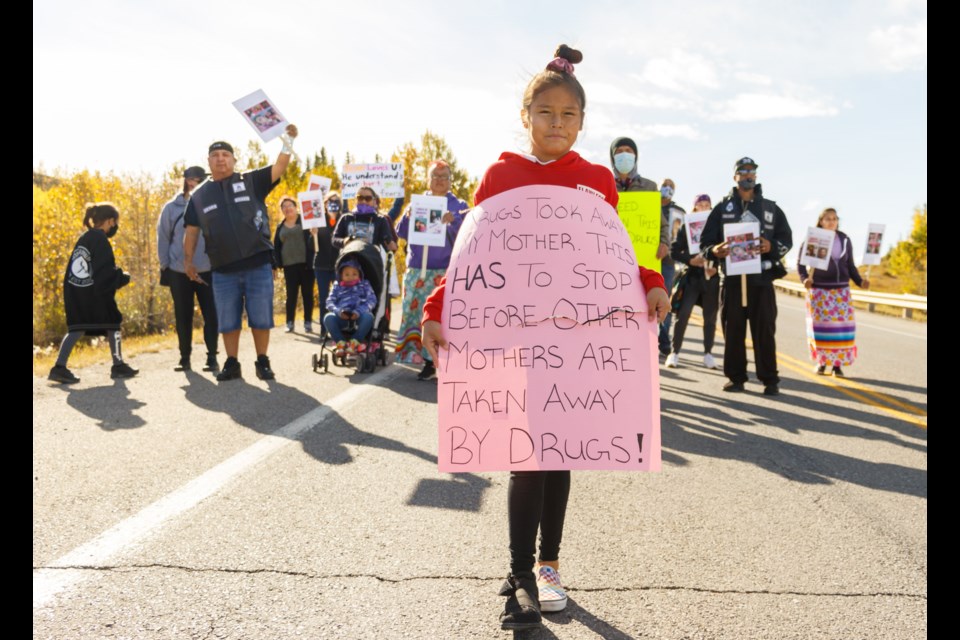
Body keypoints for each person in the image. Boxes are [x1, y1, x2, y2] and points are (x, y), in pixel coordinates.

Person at [420, 45, 670, 631]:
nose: (556, 124)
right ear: (525, 114)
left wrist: (652, 280)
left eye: (568, 116)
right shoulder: (501, 175)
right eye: (545, 113)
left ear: (582, 123)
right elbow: (469, 255)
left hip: (577, 343)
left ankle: (549, 564)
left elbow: (620, 255)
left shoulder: (597, 179)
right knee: (524, 456)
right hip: (517, 340)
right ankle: (518, 577)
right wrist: (436, 307)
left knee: (561, 455)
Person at [182, 124, 298, 382]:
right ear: (209, 162)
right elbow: (191, 231)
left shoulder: (251, 181)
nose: (221, 159)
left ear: (234, 160)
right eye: (215, 155)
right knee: (228, 320)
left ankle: (262, 361)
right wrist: (188, 261)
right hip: (223, 269)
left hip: (257, 263)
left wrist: (288, 140)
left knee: (261, 316)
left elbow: (280, 166)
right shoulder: (199, 196)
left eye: (226, 155)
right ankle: (232, 362)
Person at [699, 156, 793, 396]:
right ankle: (736, 377)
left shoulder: (770, 208)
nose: (747, 175)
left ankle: (769, 379)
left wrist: (770, 246)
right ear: (735, 177)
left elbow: (786, 239)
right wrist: (715, 250)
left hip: (761, 280)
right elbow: (705, 244)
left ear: (756, 177)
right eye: (743, 172)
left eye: (752, 172)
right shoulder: (722, 208)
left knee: (764, 331)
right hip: (731, 280)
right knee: (733, 330)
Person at [48, 203, 138, 384]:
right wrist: (122, 277)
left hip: (78, 291)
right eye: (114, 222)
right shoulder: (100, 240)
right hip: (94, 292)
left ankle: (59, 367)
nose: (114, 226)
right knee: (113, 322)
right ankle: (118, 365)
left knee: (78, 326)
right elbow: (104, 272)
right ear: (110, 221)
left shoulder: (86, 238)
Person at [394, 160, 468, 380]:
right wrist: (409, 218)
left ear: (450, 180)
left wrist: (453, 222)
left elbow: (467, 236)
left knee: (440, 316)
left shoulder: (459, 205)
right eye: (435, 176)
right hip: (418, 268)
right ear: (428, 178)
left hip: (444, 270)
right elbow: (401, 232)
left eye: (444, 176)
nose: (439, 180)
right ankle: (419, 357)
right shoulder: (418, 203)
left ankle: (435, 360)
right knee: (414, 312)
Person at [608, 138, 670, 356]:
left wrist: (664, 243)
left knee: (642, 311)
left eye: (629, 151)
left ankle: (644, 357)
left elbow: (662, 224)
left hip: (644, 259)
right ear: (612, 157)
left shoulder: (650, 187)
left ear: (636, 156)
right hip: (611, 261)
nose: (624, 155)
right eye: (620, 151)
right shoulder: (604, 184)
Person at [157, 165, 219, 373]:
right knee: (182, 316)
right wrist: (165, 265)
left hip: (208, 269)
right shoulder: (171, 208)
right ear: (186, 181)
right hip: (178, 271)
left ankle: (212, 357)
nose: (197, 183)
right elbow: (163, 238)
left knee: (211, 314)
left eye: (201, 180)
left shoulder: (212, 205)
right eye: (194, 179)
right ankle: (184, 358)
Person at [796, 208, 869, 377]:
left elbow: (850, 265)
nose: (831, 221)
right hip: (820, 291)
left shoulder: (844, 239)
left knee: (842, 330)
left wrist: (859, 282)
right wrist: (805, 279)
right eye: (827, 218)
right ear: (821, 221)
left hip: (841, 291)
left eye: (834, 218)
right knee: (822, 329)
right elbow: (800, 265)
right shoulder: (813, 239)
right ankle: (822, 362)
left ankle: (837, 365)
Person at [665, 194, 720, 369]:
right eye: (700, 204)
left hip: (711, 277)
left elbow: (725, 249)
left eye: (707, 204)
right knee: (683, 315)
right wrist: (690, 260)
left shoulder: (718, 226)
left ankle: (708, 354)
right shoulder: (687, 226)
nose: (703, 207)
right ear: (694, 207)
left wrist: (716, 266)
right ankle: (674, 352)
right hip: (692, 277)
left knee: (710, 318)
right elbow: (674, 250)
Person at [273, 196, 316, 333]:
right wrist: (275, 265)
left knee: (307, 294)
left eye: (289, 205)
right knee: (291, 295)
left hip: (306, 264)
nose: (287, 208)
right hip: (289, 266)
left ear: (296, 206)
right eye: (284, 206)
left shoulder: (306, 222)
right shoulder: (280, 226)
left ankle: (307, 322)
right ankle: (289, 322)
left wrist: (314, 233)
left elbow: (314, 239)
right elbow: (276, 247)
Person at [322, 259, 378, 358]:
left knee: (369, 317)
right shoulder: (337, 286)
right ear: (341, 276)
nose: (351, 277)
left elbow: (372, 300)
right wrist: (338, 311)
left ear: (359, 275)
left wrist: (359, 311)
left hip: (359, 315)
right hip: (342, 315)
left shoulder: (364, 285)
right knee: (328, 317)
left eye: (354, 274)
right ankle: (340, 343)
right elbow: (329, 302)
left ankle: (354, 343)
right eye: (347, 274)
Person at [657, 178, 685, 356]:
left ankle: (664, 338)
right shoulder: (649, 202)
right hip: (645, 257)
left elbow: (682, 237)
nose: (667, 189)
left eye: (671, 187)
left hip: (667, 262)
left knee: (664, 299)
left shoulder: (678, 212)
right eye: (665, 185)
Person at [331, 186, 399, 253]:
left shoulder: (380, 220)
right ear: (356, 199)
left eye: (368, 198)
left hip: (371, 260)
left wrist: (390, 245)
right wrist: (344, 241)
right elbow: (334, 239)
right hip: (349, 257)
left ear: (374, 201)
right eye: (360, 198)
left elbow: (387, 244)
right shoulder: (346, 218)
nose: (363, 201)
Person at [311, 190, 343, 327]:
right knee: (324, 299)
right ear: (324, 204)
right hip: (321, 266)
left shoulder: (344, 220)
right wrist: (313, 235)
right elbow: (311, 247)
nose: (333, 204)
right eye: (330, 201)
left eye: (336, 201)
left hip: (339, 266)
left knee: (340, 298)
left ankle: (339, 329)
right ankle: (324, 330)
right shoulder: (318, 221)